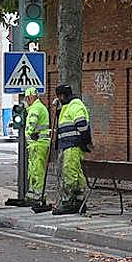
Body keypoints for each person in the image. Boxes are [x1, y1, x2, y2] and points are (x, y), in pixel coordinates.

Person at [53, 83, 92, 214]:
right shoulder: (67, 106)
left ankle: (70, 201)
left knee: (70, 173)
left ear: (62, 96)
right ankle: (79, 201)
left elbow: (82, 125)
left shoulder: (75, 105)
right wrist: (58, 111)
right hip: (68, 145)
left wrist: (84, 141)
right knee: (76, 173)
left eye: (58, 97)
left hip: (73, 145)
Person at [22, 88, 51, 211]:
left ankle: (38, 195)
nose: (26, 101)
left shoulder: (36, 108)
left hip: (38, 144)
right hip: (38, 144)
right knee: (34, 170)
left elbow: (30, 127)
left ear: (30, 97)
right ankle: (33, 194)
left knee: (37, 171)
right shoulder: (39, 107)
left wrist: (28, 137)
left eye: (27, 99)